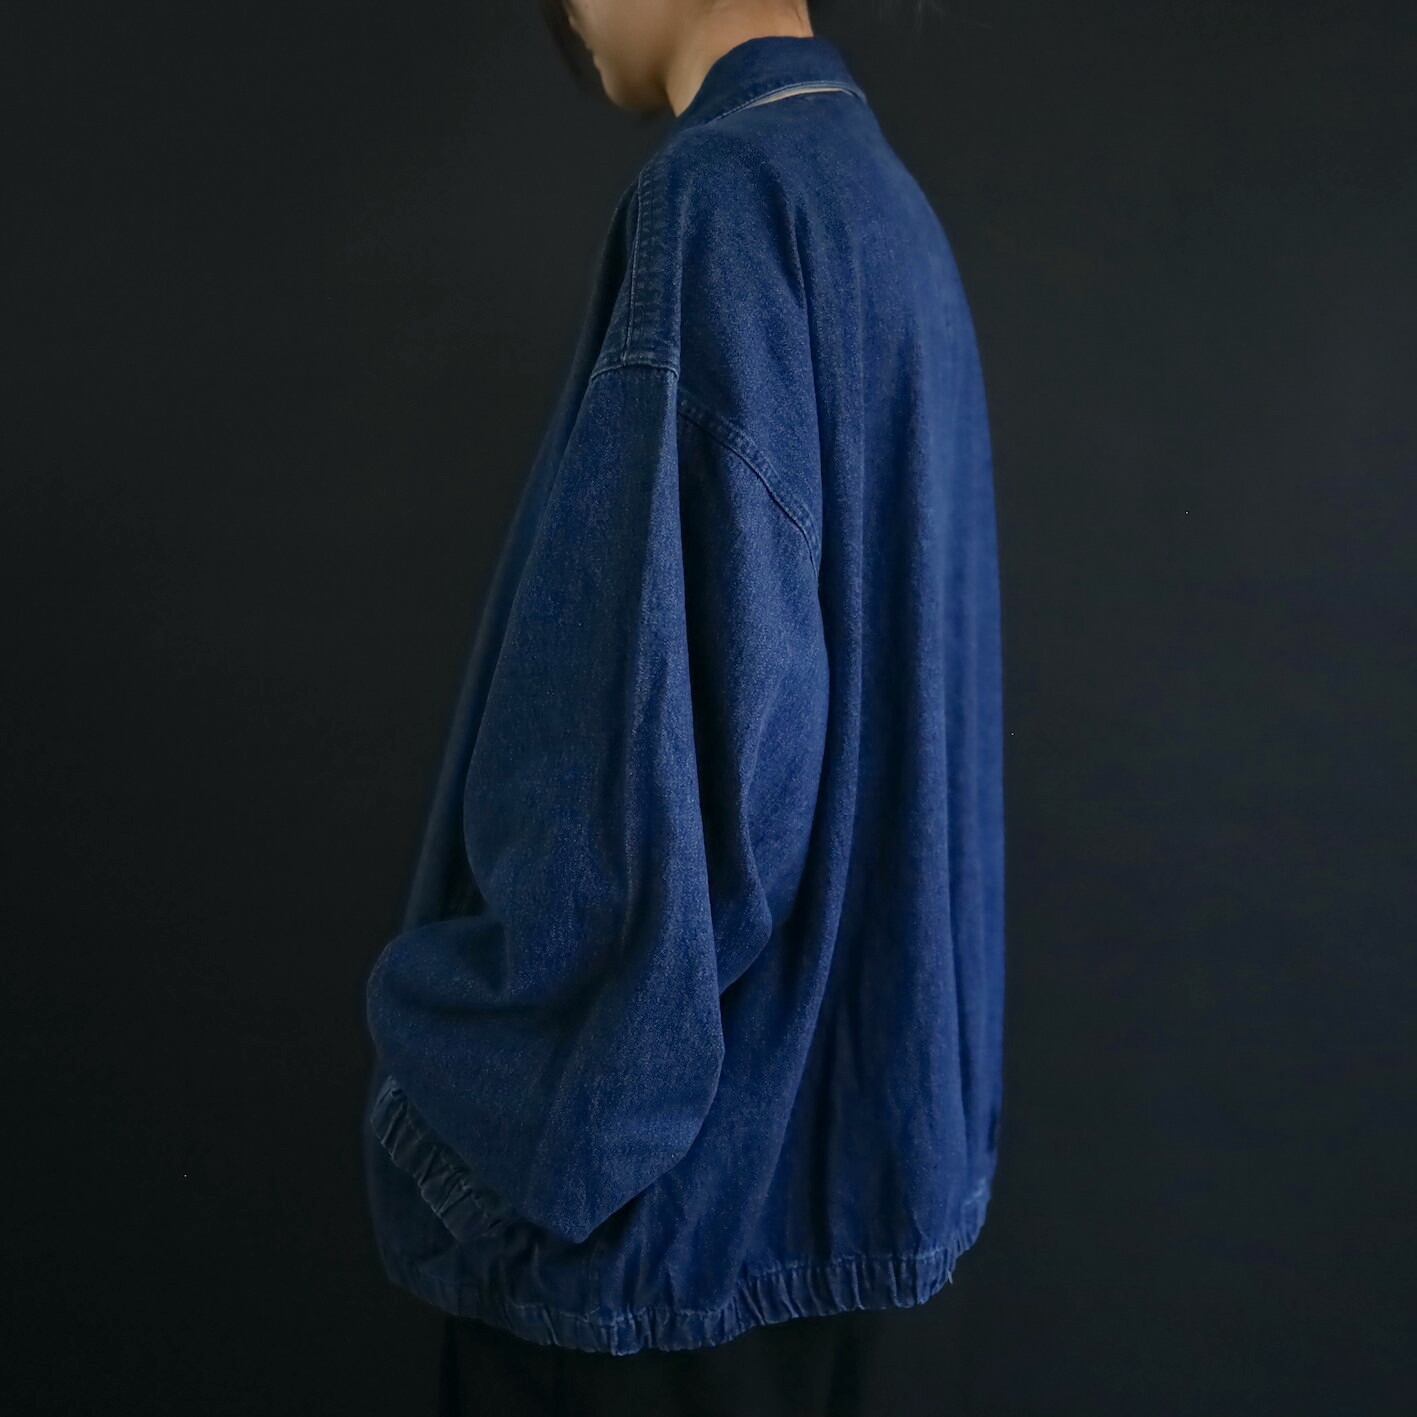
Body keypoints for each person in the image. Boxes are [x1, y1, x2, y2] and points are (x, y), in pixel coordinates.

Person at [360, 3, 1005, 1413]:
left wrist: (479, 1130)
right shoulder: (884, 207)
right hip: (850, 1229)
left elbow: (642, 804)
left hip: (665, 1256)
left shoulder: (723, 203)